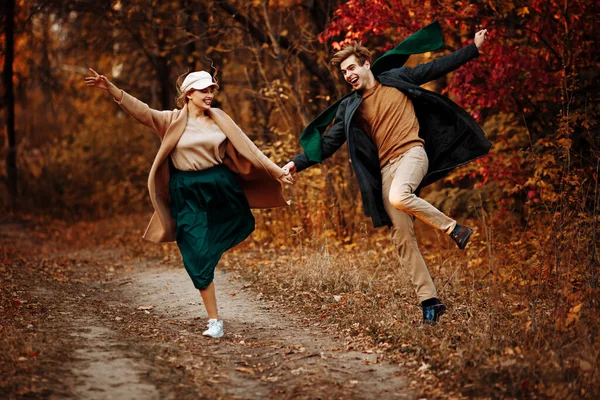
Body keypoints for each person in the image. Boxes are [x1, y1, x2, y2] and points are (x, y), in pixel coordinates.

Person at [282, 29, 490, 323]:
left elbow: (436, 67)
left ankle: (454, 228)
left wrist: (474, 49)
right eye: (343, 72)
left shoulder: (397, 78)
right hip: (386, 170)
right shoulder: (349, 107)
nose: (348, 74)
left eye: (351, 67)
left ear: (366, 64)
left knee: (399, 195)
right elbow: (329, 143)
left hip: (413, 154)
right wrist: (295, 164)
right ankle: (430, 302)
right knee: (402, 238)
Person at [86, 68, 293, 337]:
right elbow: (142, 111)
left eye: (211, 90)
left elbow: (249, 147)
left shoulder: (220, 119)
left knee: (220, 238)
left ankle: (213, 310)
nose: (209, 95)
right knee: (194, 253)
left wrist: (277, 171)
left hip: (219, 188)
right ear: (188, 94)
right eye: (204, 90)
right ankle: (214, 321)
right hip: (186, 191)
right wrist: (111, 88)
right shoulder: (171, 120)